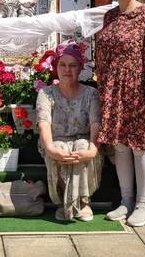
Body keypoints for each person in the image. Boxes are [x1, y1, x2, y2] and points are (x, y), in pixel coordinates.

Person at [93, 0, 145, 227]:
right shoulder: (110, 16)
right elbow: (101, 55)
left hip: (138, 91)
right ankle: (126, 201)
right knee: (120, 146)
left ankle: (143, 205)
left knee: (140, 145)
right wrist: (103, 90)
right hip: (113, 90)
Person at [36, 42, 102, 222]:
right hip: (56, 139)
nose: (67, 70)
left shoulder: (91, 93)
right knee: (59, 147)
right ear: (56, 67)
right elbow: (44, 123)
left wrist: (92, 149)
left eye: (73, 65)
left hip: (83, 139)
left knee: (81, 146)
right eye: (63, 65)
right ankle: (62, 203)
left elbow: (96, 123)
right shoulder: (46, 93)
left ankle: (82, 202)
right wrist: (49, 147)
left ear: (80, 68)